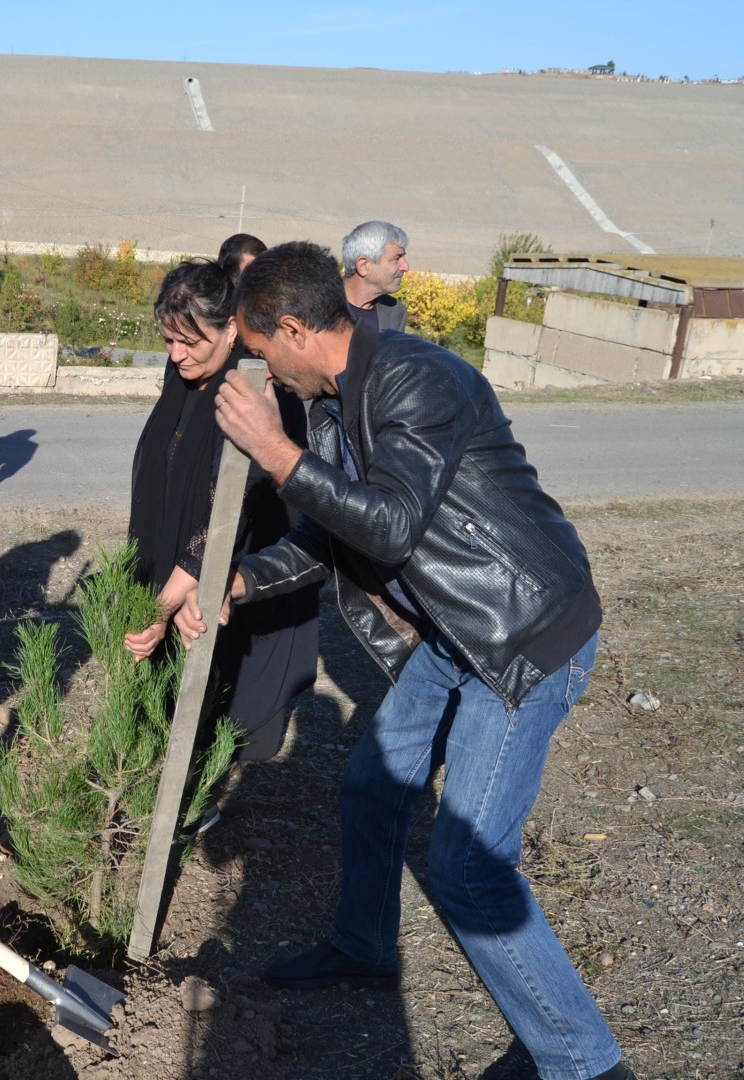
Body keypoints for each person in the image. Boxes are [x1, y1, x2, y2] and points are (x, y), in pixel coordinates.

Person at [178, 241, 633, 1080]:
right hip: (455, 633)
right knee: (371, 788)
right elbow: (330, 530)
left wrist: (277, 454)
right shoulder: (326, 396)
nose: (262, 374)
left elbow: (388, 525)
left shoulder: (420, 380)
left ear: (293, 328)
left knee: (467, 868)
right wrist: (242, 579)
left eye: (262, 352)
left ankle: (583, 1061)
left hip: (520, 638)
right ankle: (363, 945)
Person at [124, 258, 317, 767]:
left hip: (237, 562)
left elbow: (226, 508)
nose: (177, 355)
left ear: (231, 327)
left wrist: (160, 608)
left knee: (215, 701)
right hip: (179, 556)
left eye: (191, 343)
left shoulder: (251, 389)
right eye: (168, 341)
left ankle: (198, 793)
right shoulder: (185, 371)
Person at [341, 220, 409, 332]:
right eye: (397, 258)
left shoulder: (396, 312)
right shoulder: (315, 303)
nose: (406, 267)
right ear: (364, 266)